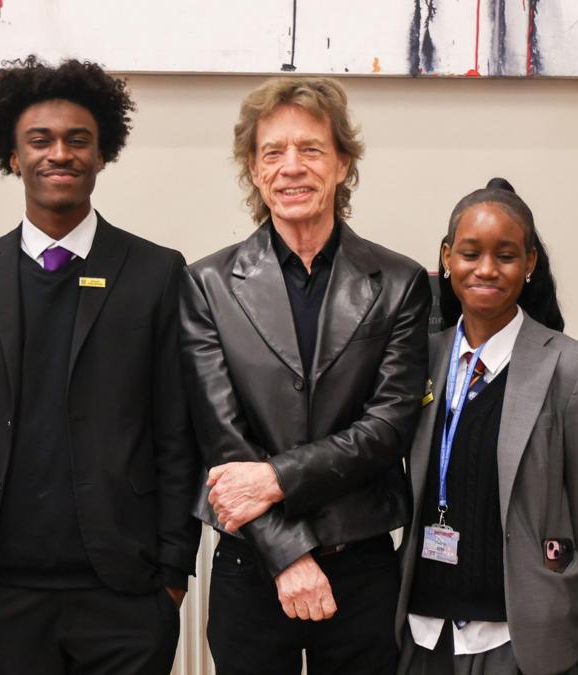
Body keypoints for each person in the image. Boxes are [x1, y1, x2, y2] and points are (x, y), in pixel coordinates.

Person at [0, 55, 199, 675]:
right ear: (12, 154)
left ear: (103, 153)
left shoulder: (157, 273)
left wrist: (173, 569)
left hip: (127, 591)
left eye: (78, 140)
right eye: (41, 140)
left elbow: (177, 434)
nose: (61, 153)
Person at [179, 76, 431, 674]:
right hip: (251, 564)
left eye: (311, 149)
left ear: (342, 163)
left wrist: (272, 478)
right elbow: (221, 436)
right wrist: (288, 557)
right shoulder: (207, 286)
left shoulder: (400, 284)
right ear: (253, 168)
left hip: (363, 563)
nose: (292, 167)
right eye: (273, 152)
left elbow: (389, 426)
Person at [395, 178, 578, 675]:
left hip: (519, 642)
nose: (486, 269)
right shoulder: (419, 360)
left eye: (507, 255)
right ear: (447, 259)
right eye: (470, 253)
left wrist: (568, 625)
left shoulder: (574, 369)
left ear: (531, 263)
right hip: (423, 634)